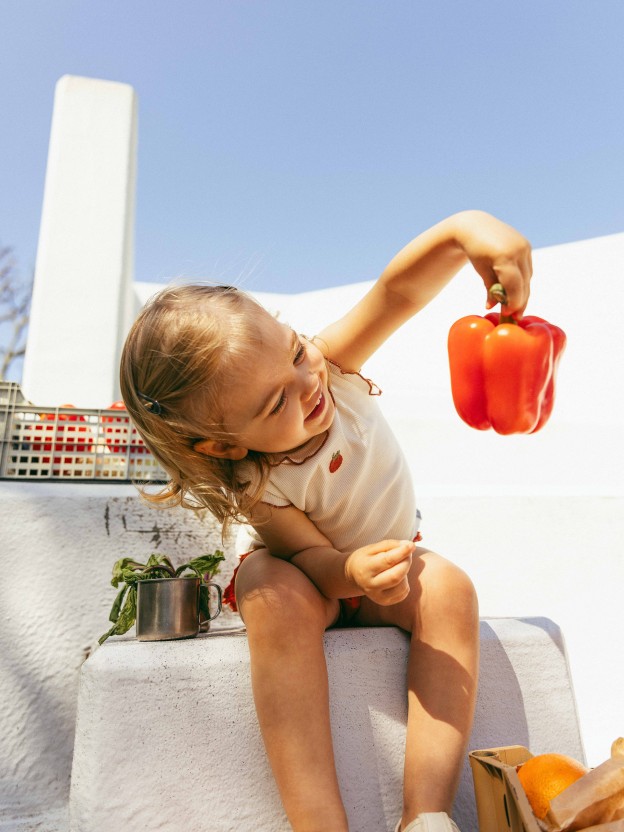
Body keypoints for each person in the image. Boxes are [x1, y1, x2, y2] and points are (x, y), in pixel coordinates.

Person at [120, 209, 532, 832]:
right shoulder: (255, 481)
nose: (305, 382)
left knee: (450, 588)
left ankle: (426, 813)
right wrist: (350, 571)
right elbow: (312, 563)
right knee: (269, 589)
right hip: (317, 580)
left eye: (294, 351)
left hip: (387, 564)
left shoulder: (334, 371)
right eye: (276, 400)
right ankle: (318, 820)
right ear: (225, 446)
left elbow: (397, 292)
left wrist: (465, 233)